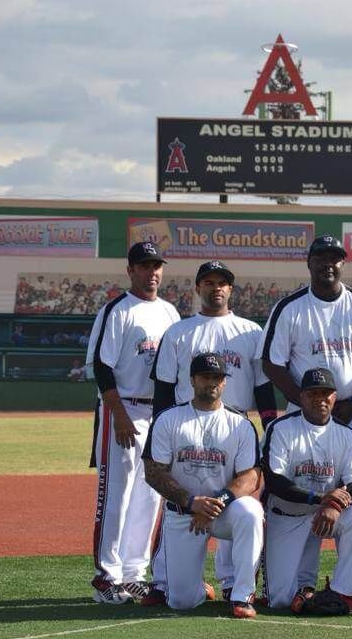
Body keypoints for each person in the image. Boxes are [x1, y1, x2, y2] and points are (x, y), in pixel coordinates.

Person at [144, 260, 278, 605]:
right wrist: (160, 430)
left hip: (236, 430)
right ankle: (164, 581)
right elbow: (163, 386)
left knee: (240, 504)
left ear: (231, 290)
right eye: (208, 282)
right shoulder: (179, 331)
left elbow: (263, 386)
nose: (215, 287)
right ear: (197, 288)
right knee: (175, 501)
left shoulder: (250, 331)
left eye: (222, 282)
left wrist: (268, 425)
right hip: (184, 426)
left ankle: (235, 584)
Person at [86, 241, 180, 604]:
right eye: (144, 265)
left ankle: (133, 573)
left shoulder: (170, 313)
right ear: (131, 270)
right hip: (122, 409)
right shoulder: (117, 310)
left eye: (156, 265)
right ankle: (106, 576)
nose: (151, 272)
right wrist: (120, 416)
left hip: (157, 413)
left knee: (149, 494)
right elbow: (101, 366)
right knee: (116, 494)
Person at [143, 352, 264, 618]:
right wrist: (191, 502)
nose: (212, 382)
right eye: (205, 377)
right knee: (181, 602)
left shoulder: (240, 425)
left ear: (225, 382)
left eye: (217, 377)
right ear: (192, 380)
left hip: (224, 511)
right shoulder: (168, 419)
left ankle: (242, 596)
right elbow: (153, 472)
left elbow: (251, 477)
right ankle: (197, 588)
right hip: (184, 513)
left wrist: (216, 502)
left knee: (251, 512)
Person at [260, 367, 352, 615]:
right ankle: (307, 592)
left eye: (326, 393)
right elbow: (274, 481)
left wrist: (333, 505)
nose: (320, 399)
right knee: (280, 600)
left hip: (328, 514)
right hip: (288, 515)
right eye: (313, 394)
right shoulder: (281, 429)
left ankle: (342, 591)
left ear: (335, 397)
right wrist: (321, 498)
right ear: (301, 397)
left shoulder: (347, 434)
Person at [259, 234, 352, 433]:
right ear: (309, 263)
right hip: (302, 411)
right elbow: (271, 364)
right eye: (321, 258)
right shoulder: (289, 308)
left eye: (335, 259)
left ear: (343, 264)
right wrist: (304, 402)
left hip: (351, 412)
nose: (328, 264)